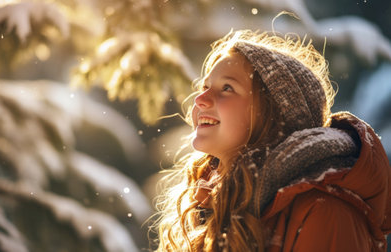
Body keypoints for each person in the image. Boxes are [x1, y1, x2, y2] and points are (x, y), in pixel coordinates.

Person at [153, 30, 391, 251]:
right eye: (204, 87)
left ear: (274, 112)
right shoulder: (212, 200)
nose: (200, 99)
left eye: (227, 88)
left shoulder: (325, 211)